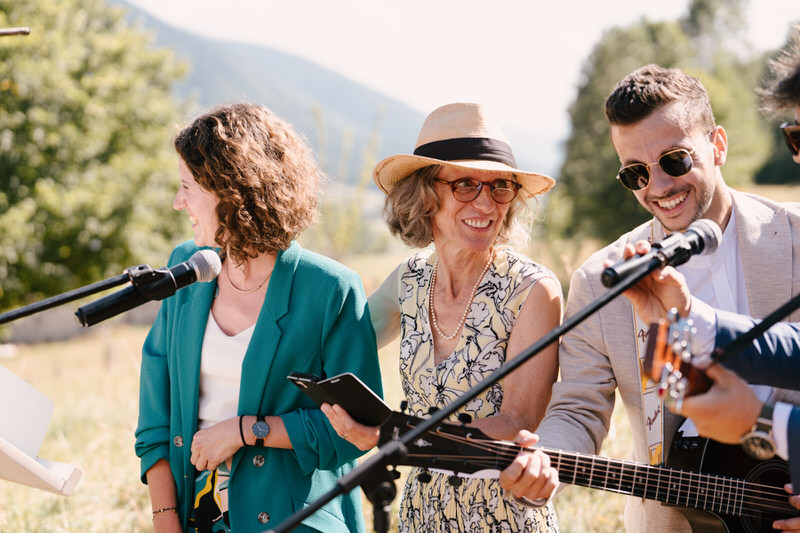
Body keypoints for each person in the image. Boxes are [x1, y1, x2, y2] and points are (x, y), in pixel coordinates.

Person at [502, 64, 800, 532]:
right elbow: (579, 407)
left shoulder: (797, 236)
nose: (658, 187)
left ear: (718, 145)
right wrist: (545, 458)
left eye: (675, 160)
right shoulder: (602, 278)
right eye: (635, 174)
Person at [134, 103, 382, 533]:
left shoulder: (330, 290)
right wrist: (164, 515)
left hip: (298, 520)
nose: (178, 203)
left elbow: (357, 431)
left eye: (187, 187)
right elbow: (155, 410)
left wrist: (248, 430)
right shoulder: (185, 267)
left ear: (231, 193)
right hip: (194, 515)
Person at [322, 102, 561, 532]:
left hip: (501, 513)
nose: (486, 202)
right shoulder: (408, 281)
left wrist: (394, 440)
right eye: (465, 184)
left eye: (501, 187)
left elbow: (516, 422)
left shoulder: (532, 290)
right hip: (422, 512)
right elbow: (340, 342)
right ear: (426, 193)